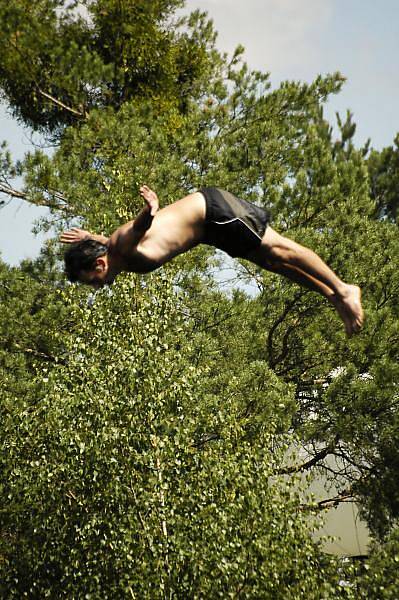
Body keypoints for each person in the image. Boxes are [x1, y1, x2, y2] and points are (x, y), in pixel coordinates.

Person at [61, 185, 363, 335]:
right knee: (275, 264)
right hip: (210, 232)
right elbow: (115, 243)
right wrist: (91, 237)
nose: (97, 287)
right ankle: (332, 295)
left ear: (99, 265)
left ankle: (343, 288)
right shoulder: (115, 251)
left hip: (214, 212)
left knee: (279, 250)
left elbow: (138, 229)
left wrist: (150, 209)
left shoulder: (120, 247)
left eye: (93, 282)